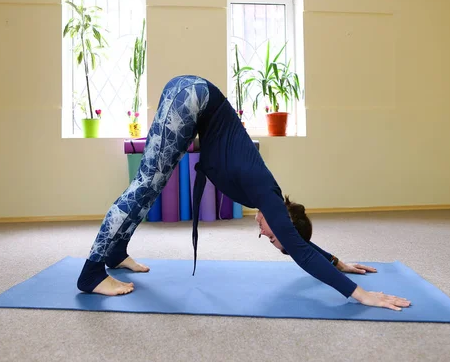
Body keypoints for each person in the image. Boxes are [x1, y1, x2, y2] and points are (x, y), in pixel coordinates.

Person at [77, 75, 411, 312]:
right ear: (284, 222)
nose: (264, 234)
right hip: (195, 98)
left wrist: (338, 262)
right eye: (271, 237)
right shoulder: (267, 195)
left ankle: (115, 253)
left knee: (149, 190)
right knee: (145, 184)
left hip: (192, 96)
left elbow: (299, 243)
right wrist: (360, 295)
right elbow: (300, 252)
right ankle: (91, 273)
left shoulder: (269, 198)